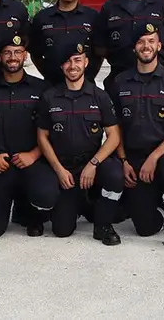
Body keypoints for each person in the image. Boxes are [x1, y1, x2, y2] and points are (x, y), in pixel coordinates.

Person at [108, 23, 164, 252]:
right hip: (134, 157)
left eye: (151, 41)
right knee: (144, 227)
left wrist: (155, 157)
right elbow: (114, 129)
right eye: (141, 42)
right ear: (134, 47)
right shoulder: (120, 82)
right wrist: (124, 161)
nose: (146, 46)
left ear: (159, 45)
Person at [36, 43, 126, 244]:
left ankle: (103, 225)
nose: (72, 66)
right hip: (64, 167)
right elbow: (42, 136)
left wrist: (93, 164)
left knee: (114, 174)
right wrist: (58, 169)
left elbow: (114, 135)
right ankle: (80, 203)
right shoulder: (49, 97)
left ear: (86, 63)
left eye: (77, 60)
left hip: (91, 163)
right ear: (61, 66)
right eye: (67, 61)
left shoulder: (100, 96)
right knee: (62, 230)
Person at [0, 33, 58, 238]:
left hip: (32, 162)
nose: (13, 57)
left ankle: (32, 216)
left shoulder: (42, 89)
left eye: (18, 52)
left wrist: (33, 155)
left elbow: (55, 130)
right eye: (7, 53)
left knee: (46, 195)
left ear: (25, 56)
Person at [29, 0, 100, 84]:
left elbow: (98, 54)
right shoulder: (41, 18)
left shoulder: (92, 17)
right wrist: (49, 75)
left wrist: (89, 75)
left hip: (85, 87)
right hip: (52, 87)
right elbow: (35, 54)